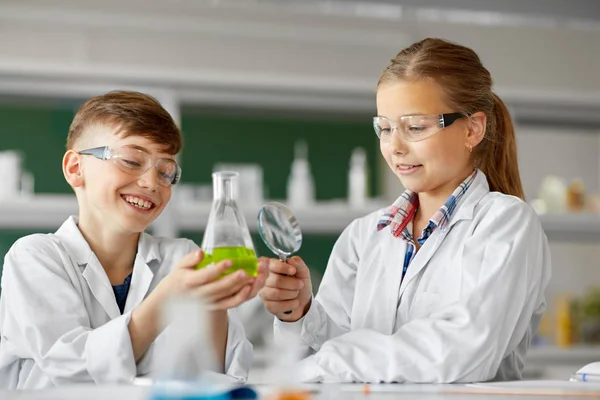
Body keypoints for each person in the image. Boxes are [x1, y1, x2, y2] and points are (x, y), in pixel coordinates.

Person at [259, 38, 551, 383]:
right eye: (384, 128)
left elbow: (463, 353)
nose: (395, 147)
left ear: (472, 129)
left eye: (415, 127)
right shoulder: (364, 235)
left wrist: (327, 363)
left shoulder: (506, 224)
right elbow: (332, 357)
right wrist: (300, 313)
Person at [0, 91, 267, 389]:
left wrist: (216, 303)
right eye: (130, 160)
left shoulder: (182, 258)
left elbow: (213, 378)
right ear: (76, 169)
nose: (152, 182)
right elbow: (71, 370)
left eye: (166, 171)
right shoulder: (35, 257)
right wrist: (166, 300)